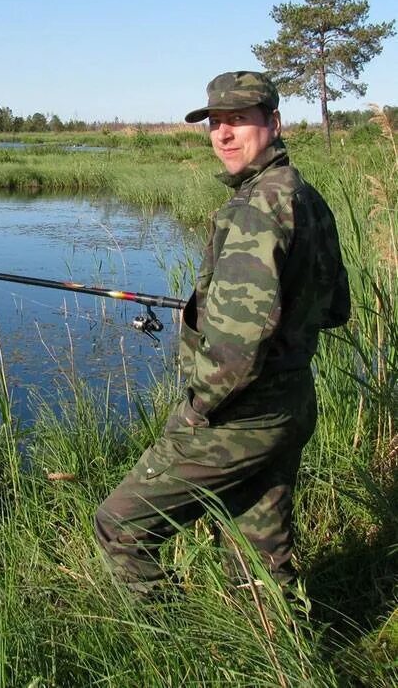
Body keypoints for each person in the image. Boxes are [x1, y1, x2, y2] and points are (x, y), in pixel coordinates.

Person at [93, 70, 350, 595]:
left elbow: (234, 352)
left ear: (273, 123)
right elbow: (336, 306)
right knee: (260, 559)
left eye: (239, 120)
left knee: (121, 525)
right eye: (215, 123)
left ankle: (161, 642)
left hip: (239, 414)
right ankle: (281, 655)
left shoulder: (257, 208)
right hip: (291, 400)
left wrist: (196, 409)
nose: (224, 134)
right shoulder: (302, 194)